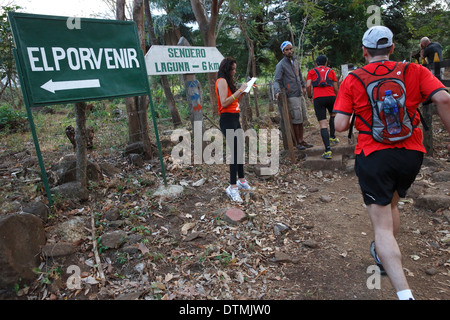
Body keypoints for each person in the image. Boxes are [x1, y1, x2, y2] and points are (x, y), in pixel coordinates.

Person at [333, 26, 450, 300]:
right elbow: (443, 97)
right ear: (393, 48)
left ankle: (404, 293)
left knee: (381, 226)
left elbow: (339, 125)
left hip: (374, 155)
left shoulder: (353, 79)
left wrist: (353, 113)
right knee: (393, 202)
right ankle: (384, 255)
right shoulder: (414, 70)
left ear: (364, 51)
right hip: (411, 154)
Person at [215, 57, 252, 203]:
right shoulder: (221, 81)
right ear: (226, 69)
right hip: (227, 119)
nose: (234, 71)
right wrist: (239, 91)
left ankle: (241, 180)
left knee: (240, 149)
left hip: (235, 118)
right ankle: (232, 186)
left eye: (235, 69)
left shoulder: (228, 81)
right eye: (232, 69)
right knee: (235, 152)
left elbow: (235, 100)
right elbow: (224, 102)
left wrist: (243, 91)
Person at [274, 41, 313, 150]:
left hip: (299, 93)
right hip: (291, 95)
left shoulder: (295, 61)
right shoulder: (281, 65)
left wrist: (303, 86)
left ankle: (302, 139)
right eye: (287, 50)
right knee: (296, 119)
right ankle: (298, 142)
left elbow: (299, 74)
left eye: (290, 49)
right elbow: (276, 80)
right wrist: (277, 91)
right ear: (283, 51)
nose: (289, 51)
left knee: (301, 118)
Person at [306, 55, 339, 159]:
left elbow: (308, 85)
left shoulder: (311, 72)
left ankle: (328, 150)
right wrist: (337, 97)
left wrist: (310, 96)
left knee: (323, 124)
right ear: (326, 63)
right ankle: (332, 137)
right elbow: (335, 87)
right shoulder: (331, 71)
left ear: (316, 63)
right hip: (331, 97)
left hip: (318, 98)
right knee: (333, 116)